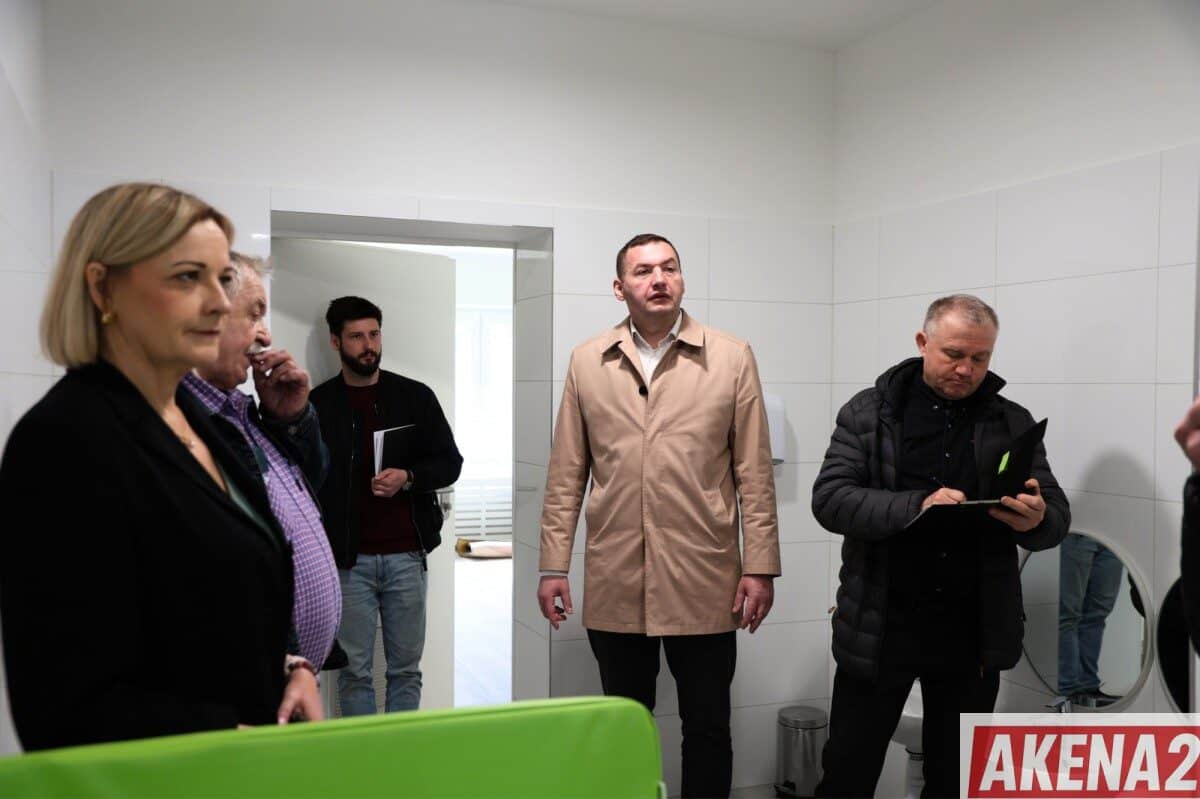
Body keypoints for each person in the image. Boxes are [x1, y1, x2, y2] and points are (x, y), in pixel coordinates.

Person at [0, 183, 319, 751]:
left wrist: (290, 668)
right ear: (102, 288)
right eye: (188, 277)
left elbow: (207, 612)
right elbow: (64, 705)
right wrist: (228, 742)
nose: (219, 303)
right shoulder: (65, 440)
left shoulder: (201, 423)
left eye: (223, 278)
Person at [537, 233, 780, 799]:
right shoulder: (588, 361)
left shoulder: (731, 356)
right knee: (625, 725)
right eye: (644, 271)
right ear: (619, 287)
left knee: (708, 725)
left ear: (682, 280)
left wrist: (760, 566)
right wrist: (553, 566)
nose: (659, 279)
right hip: (616, 573)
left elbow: (754, 472)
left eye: (669, 268)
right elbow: (567, 473)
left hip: (707, 575)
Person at [812, 294, 1070, 798]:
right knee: (847, 774)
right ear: (923, 342)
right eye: (954, 354)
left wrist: (1038, 518)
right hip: (880, 627)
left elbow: (1056, 517)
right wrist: (918, 505)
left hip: (972, 635)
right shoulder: (869, 413)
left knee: (955, 782)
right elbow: (830, 500)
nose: (966, 369)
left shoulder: (1011, 420)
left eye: (980, 358)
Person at [182, 252, 341, 668]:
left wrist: (291, 418)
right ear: (210, 316)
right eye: (254, 315)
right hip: (250, 676)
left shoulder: (242, 410)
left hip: (290, 676)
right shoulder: (182, 425)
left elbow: (315, 479)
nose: (265, 337)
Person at [310, 296, 463, 715]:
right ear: (335, 342)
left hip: (406, 558)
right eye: (356, 337)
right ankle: (363, 755)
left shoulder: (415, 397)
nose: (368, 345)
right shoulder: (318, 405)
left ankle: (402, 751)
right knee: (354, 672)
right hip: (347, 562)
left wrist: (408, 477)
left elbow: (450, 463)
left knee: (406, 671)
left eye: (374, 334)